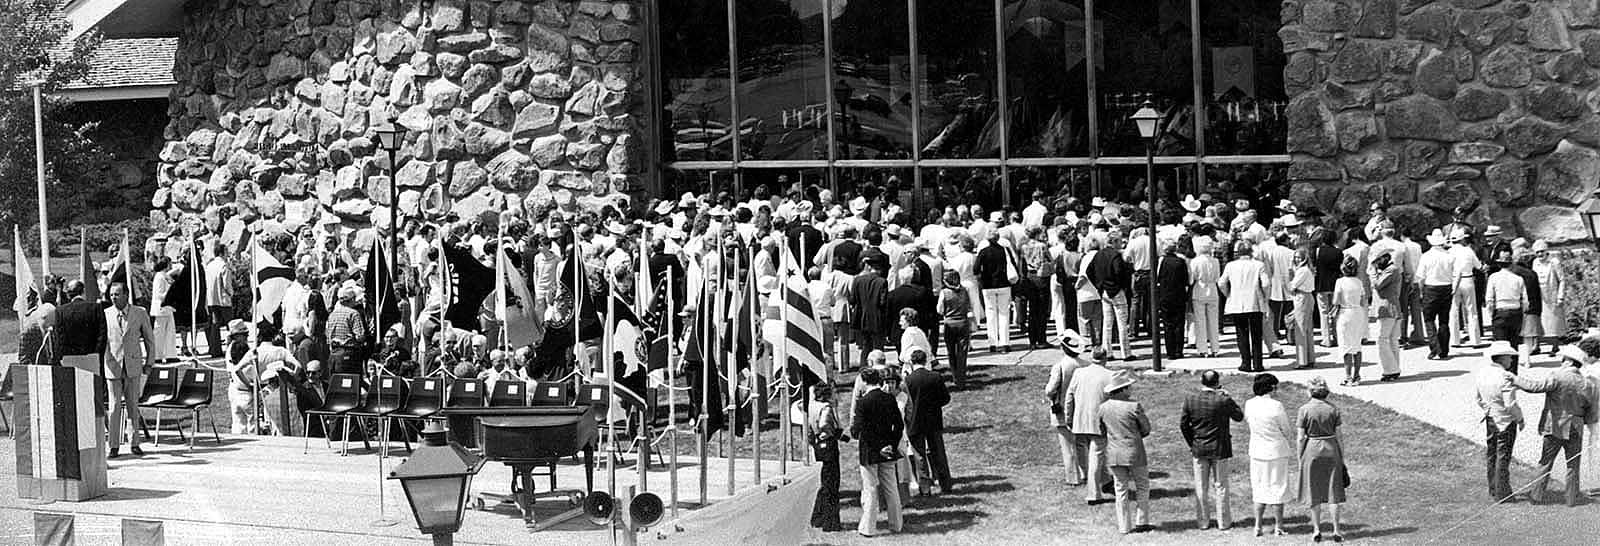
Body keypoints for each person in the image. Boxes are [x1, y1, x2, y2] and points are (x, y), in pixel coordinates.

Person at [1515, 345, 1598, 506]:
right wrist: (1584, 422)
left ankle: (1537, 495)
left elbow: (1535, 387)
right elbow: (1592, 412)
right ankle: (1571, 498)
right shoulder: (1588, 383)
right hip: (1576, 427)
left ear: (1568, 361)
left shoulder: (1557, 376)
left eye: (1563, 359)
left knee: (1546, 461)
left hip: (1555, 426)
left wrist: (1515, 379)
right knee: (1573, 464)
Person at [1179, 370, 1243, 530]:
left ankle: (1203, 522)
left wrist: (1192, 443)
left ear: (1202, 382)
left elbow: (1183, 425)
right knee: (1221, 486)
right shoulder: (1223, 400)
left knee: (1201, 486)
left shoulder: (1190, 399)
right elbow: (1239, 416)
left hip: (1199, 448)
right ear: (1217, 383)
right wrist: (1228, 397)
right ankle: (1224, 522)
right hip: (1219, 448)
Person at [103, 282, 155, 458]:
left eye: (117, 294)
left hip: (133, 366)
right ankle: (114, 446)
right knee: (114, 406)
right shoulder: (106, 314)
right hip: (113, 366)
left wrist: (149, 362)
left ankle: (135, 443)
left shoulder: (139, 313)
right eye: (111, 294)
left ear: (126, 295)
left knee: (133, 405)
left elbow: (149, 340)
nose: (113, 297)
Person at [851, 367, 905, 537]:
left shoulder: (863, 402)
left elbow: (862, 430)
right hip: (888, 450)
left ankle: (868, 527)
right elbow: (899, 425)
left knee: (871, 489)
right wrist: (891, 444)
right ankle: (896, 524)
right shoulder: (889, 399)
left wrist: (878, 447)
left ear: (864, 382)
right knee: (891, 487)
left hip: (871, 451)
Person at [1098, 369, 1150, 534]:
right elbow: (1146, 429)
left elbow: (1101, 431)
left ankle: (1124, 526)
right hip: (1134, 452)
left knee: (1120, 489)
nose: (1131, 389)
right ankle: (1142, 521)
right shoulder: (1134, 406)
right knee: (1142, 486)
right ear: (1121, 389)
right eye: (1128, 386)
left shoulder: (1103, 408)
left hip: (1114, 453)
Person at [1298, 377, 1348, 542]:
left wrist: (1300, 456)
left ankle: (1317, 529)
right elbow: (1339, 436)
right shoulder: (1333, 409)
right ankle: (1336, 530)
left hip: (1312, 450)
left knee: (1314, 491)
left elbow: (1300, 438)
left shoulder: (1304, 410)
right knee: (1334, 491)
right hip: (1331, 447)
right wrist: (1341, 456)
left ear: (1310, 391)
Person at [1065, 345, 1115, 503]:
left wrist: (1069, 418)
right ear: (1105, 358)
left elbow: (1069, 397)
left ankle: (1106, 482)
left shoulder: (1079, 373)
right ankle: (1094, 494)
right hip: (1098, 423)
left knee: (1095, 455)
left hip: (1080, 422)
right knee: (1096, 456)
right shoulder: (1110, 375)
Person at [1245, 373, 1294, 537]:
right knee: (1278, 487)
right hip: (1276, 451)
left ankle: (1258, 525)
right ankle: (1278, 526)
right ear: (1271, 387)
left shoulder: (1249, 404)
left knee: (1259, 487)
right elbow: (1286, 429)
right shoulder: (1276, 406)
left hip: (1257, 451)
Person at [1475, 341, 1522, 501]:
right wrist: (1520, 418)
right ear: (1502, 358)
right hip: (1505, 421)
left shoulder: (1482, 373)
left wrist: (1488, 410)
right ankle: (1503, 493)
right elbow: (1510, 404)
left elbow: (1479, 398)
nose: (1511, 360)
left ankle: (1493, 488)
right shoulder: (1505, 377)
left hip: (1490, 418)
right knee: (1503, 456)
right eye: (1509, 357)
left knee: (1492, 454)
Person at [1045, 330, 1092, 486]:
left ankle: (1073, 477)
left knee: (1068, 447)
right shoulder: (1086, 365)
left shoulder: (1060, 366)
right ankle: (1086, 473)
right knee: (1081, 445)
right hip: (1082, 410)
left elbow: (1050, 390)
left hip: (1063, 411)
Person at [904, 350, 953, 495]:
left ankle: (925, 488)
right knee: (938, 453)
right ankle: (945, 484)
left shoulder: (908, 380)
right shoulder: (935, 377)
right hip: (933, 420)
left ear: (912, 363)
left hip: (915, 422)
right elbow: (945, 398)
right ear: (926, 361)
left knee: (919, 455)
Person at [1219, 242, 1269, 372]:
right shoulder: (1259, 265)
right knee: (1257, 334)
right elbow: (1266, 284)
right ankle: (1258, 364)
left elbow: (1221, 283)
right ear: (1251, 251)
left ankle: (1245, 363)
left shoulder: (1231, 265)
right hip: (1255, 302)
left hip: (1237, 302)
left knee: (1241, 333)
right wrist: (1265, 297)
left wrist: (1228, 294)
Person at [809, 384, 847, 532]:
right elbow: (824, 423)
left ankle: (818, 517)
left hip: (819, 445)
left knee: (824, 483)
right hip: (828, 444)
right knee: (832, 483)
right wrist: (830, 432)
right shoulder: (826, 407)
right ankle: (830, 522)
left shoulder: (812, 406)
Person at [1088, 232, 1133, 360]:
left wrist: (1099, 285)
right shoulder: (1115, 256)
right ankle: (1126, 353)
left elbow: (1089, 271)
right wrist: (1121, 286)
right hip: (1116, 291)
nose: (1121, 244)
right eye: (1119, 241)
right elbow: (1119, 272)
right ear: (1113, 242)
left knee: (1107, 324)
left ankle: (1107, 351)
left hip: (1105, 292)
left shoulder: (1098, 254)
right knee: (1122, 323)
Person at [1417, 229, 1456, 360]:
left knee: (1429, 319)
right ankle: (1444, 349)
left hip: (1431, 288)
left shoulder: (1426, 256)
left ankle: (1435, 347)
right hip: (1446, 287)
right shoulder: (1450, 256)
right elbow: (1455, 273)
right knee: (1444, 320)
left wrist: (1421, 292)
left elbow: (1420, 277)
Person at [55, 280, 107, 374]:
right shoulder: (96, 308)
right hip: (92, 358)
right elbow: (102, 334)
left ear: (68, 294)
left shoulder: (60, 311)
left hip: (69, 359)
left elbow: (59, 338)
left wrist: (63, 357)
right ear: (83, 291)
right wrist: (97, 354)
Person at [975, 231, 1014, 353]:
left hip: (988, 285)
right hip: (1004, 284)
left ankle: (992, 343)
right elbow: (1013, 264)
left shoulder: (983, 252)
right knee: (1004, 313)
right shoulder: (1004, 250)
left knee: (990, 313)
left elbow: (975, 269)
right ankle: (1005, 343)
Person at [1333, 257, 1369, 386]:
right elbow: (1363, 300)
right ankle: (1357, 375)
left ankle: (1348, 376)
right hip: (1358, 312)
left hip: (1345, 312)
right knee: (1357, 345)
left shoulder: (1340, 282)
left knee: (1346, 346)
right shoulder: (1359, 282)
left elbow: (1335, 300)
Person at [937, 271, 974, 387]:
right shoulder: (965, 290)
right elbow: (969, 305)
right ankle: (961, 378)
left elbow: (940, 310)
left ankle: (955, 377)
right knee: (962, 352)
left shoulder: (944, 293)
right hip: (963, 322)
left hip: (950, 323)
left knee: (951, 352)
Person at [1448, 230, 1484, 348]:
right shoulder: (1468, 250)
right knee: (1471, 310)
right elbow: (1478, 266)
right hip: (1467, 279)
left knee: (1454, 310)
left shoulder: (1450, 251)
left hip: (1454, 280)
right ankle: (1475, 340)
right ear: (1462, 239)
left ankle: (1454, 340)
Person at [1370, 249, 1402, 381]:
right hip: (1390, 307)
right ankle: (1394, 368)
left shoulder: (1392, 270)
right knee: (1392, 340)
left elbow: (1378, 285)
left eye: (1377, 261)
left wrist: (1373, 274)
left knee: (1383, 339)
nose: (1376, 265)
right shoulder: (1389, 270)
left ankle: (1390, 370)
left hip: (1388, 308)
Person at [848, 256, 890, 355]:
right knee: (878, 348)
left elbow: (852, 300)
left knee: (865, 346)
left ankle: (863, 367)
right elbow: (883, 302)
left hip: (862, 318)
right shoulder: (882, 282)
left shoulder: (858, 280)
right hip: (877, 318)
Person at [325, 284, 369, 378]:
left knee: (337, 385)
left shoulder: (332, 315)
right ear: (352, 299)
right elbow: (359, 337)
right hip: (349, 355)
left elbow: (328, 337)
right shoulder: (353, 314)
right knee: (351, 385)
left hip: (334, 354)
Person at [1154, 244, 1189, 359]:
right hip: (1179, 294)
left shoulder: (1161, 261)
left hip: (1165, 295)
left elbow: (1158, 277)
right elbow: (1186, 279)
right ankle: (1179, 350)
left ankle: (1170, 351)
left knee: (1167, 324)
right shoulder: (1181, 261)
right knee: (1179, 323)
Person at [1531, 241, 1567, 356]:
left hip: (1553, 294)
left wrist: (1560, 296)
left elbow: (1561, 279)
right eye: (1538, 252)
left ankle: (1555, 346)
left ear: (1546, 251)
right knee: (1539, 320)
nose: (1540, 254)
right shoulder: (1535, 262)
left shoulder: (1554, 262)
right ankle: (1536, 346)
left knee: (1554, 321)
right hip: (1539, 295)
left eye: (1542, 251)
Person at [1189, 241, 1222, 358]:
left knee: (1200, 321)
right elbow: (1218, 277)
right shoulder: (1216, 261)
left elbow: (1191, 279)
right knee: (1213, 321)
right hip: (1212, 290)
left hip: (1199, 289)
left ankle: (1203, 349)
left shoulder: (1195, 261)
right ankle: (1215, 348)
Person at [1289, 248, 1318, 369]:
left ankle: (1302, 361)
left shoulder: (1302, 271)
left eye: (1299, 257)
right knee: (1307, 329)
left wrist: (1291, 285)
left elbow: (1292, 286)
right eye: (1295, 257)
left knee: (1300, 329)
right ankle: (1310, 358)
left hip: (1302, 297)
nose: (1296, 260)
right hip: (1308, 297)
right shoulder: (1308, 270)